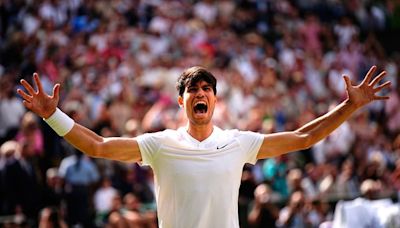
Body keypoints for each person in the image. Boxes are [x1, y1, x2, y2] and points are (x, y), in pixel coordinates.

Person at [17, 65, 390, 228]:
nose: (200, 93)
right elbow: (98, 145)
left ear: (214, 100)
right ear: (181, 102)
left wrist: (350, 105)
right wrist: (53, 116)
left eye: (206, 89)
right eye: (192, 89)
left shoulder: (238, 142)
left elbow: (305, 137)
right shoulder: (159, 145)